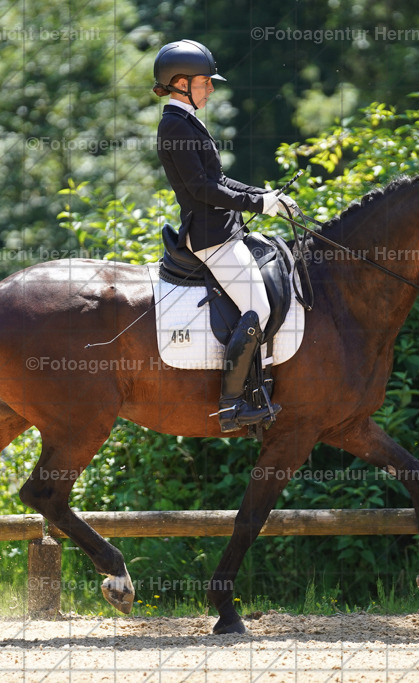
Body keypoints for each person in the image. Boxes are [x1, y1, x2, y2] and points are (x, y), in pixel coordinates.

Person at [153, 39, 296, 432]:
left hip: (225, 229)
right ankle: (233, 404)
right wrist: (256, 206)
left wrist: (265, 196)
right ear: (180, 83)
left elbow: (221, 180)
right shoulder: (173, 125)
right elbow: (202, 189)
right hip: (210, 237)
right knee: (259, 310)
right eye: (205, 82)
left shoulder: (188, 121)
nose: (211, 88)